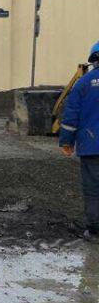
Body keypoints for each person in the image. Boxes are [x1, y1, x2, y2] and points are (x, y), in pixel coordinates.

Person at [59, 41, 99, 242]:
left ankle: (94, 231)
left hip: (91, 147)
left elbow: (71, 118)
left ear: (93, 60)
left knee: (93, 190)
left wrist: (66, 142)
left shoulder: (83, 84)